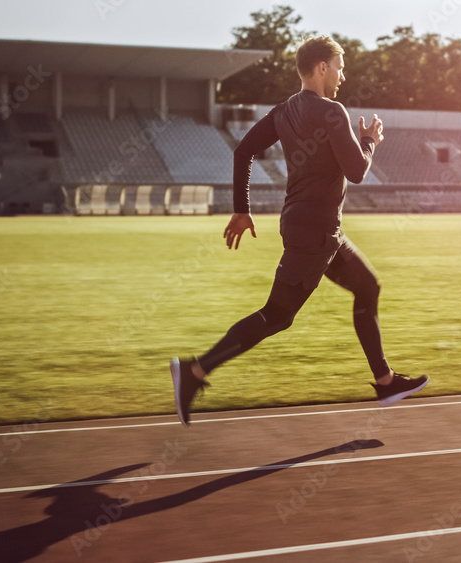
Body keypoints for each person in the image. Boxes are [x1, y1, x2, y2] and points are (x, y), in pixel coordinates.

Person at [170, 35, 429, 426]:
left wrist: (243, 210)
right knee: (276, 316)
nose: (343, 76)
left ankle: (386, 381)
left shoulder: (284, 110)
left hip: (317, 228)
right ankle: (194, 372)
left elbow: (244, 151)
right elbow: (357, 171)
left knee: (367, 287)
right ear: (321, 68)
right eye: (340, 67)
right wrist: (369, 141)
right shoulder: (332, 111)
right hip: (315, 231)